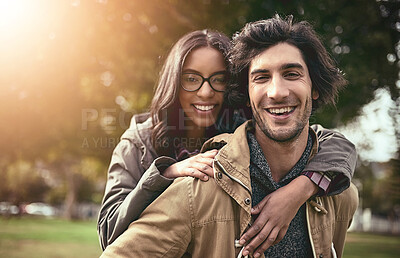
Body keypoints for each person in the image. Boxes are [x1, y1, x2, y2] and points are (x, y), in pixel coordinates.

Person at [99, 23, 358, 257]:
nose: (205, 91)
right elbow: (110, 235)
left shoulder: (243, 128)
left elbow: (336, 143)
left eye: (219, 80)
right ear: (174, 83)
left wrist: (296, 191)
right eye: (191, 79)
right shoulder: (140, 141)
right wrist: (165, 173)